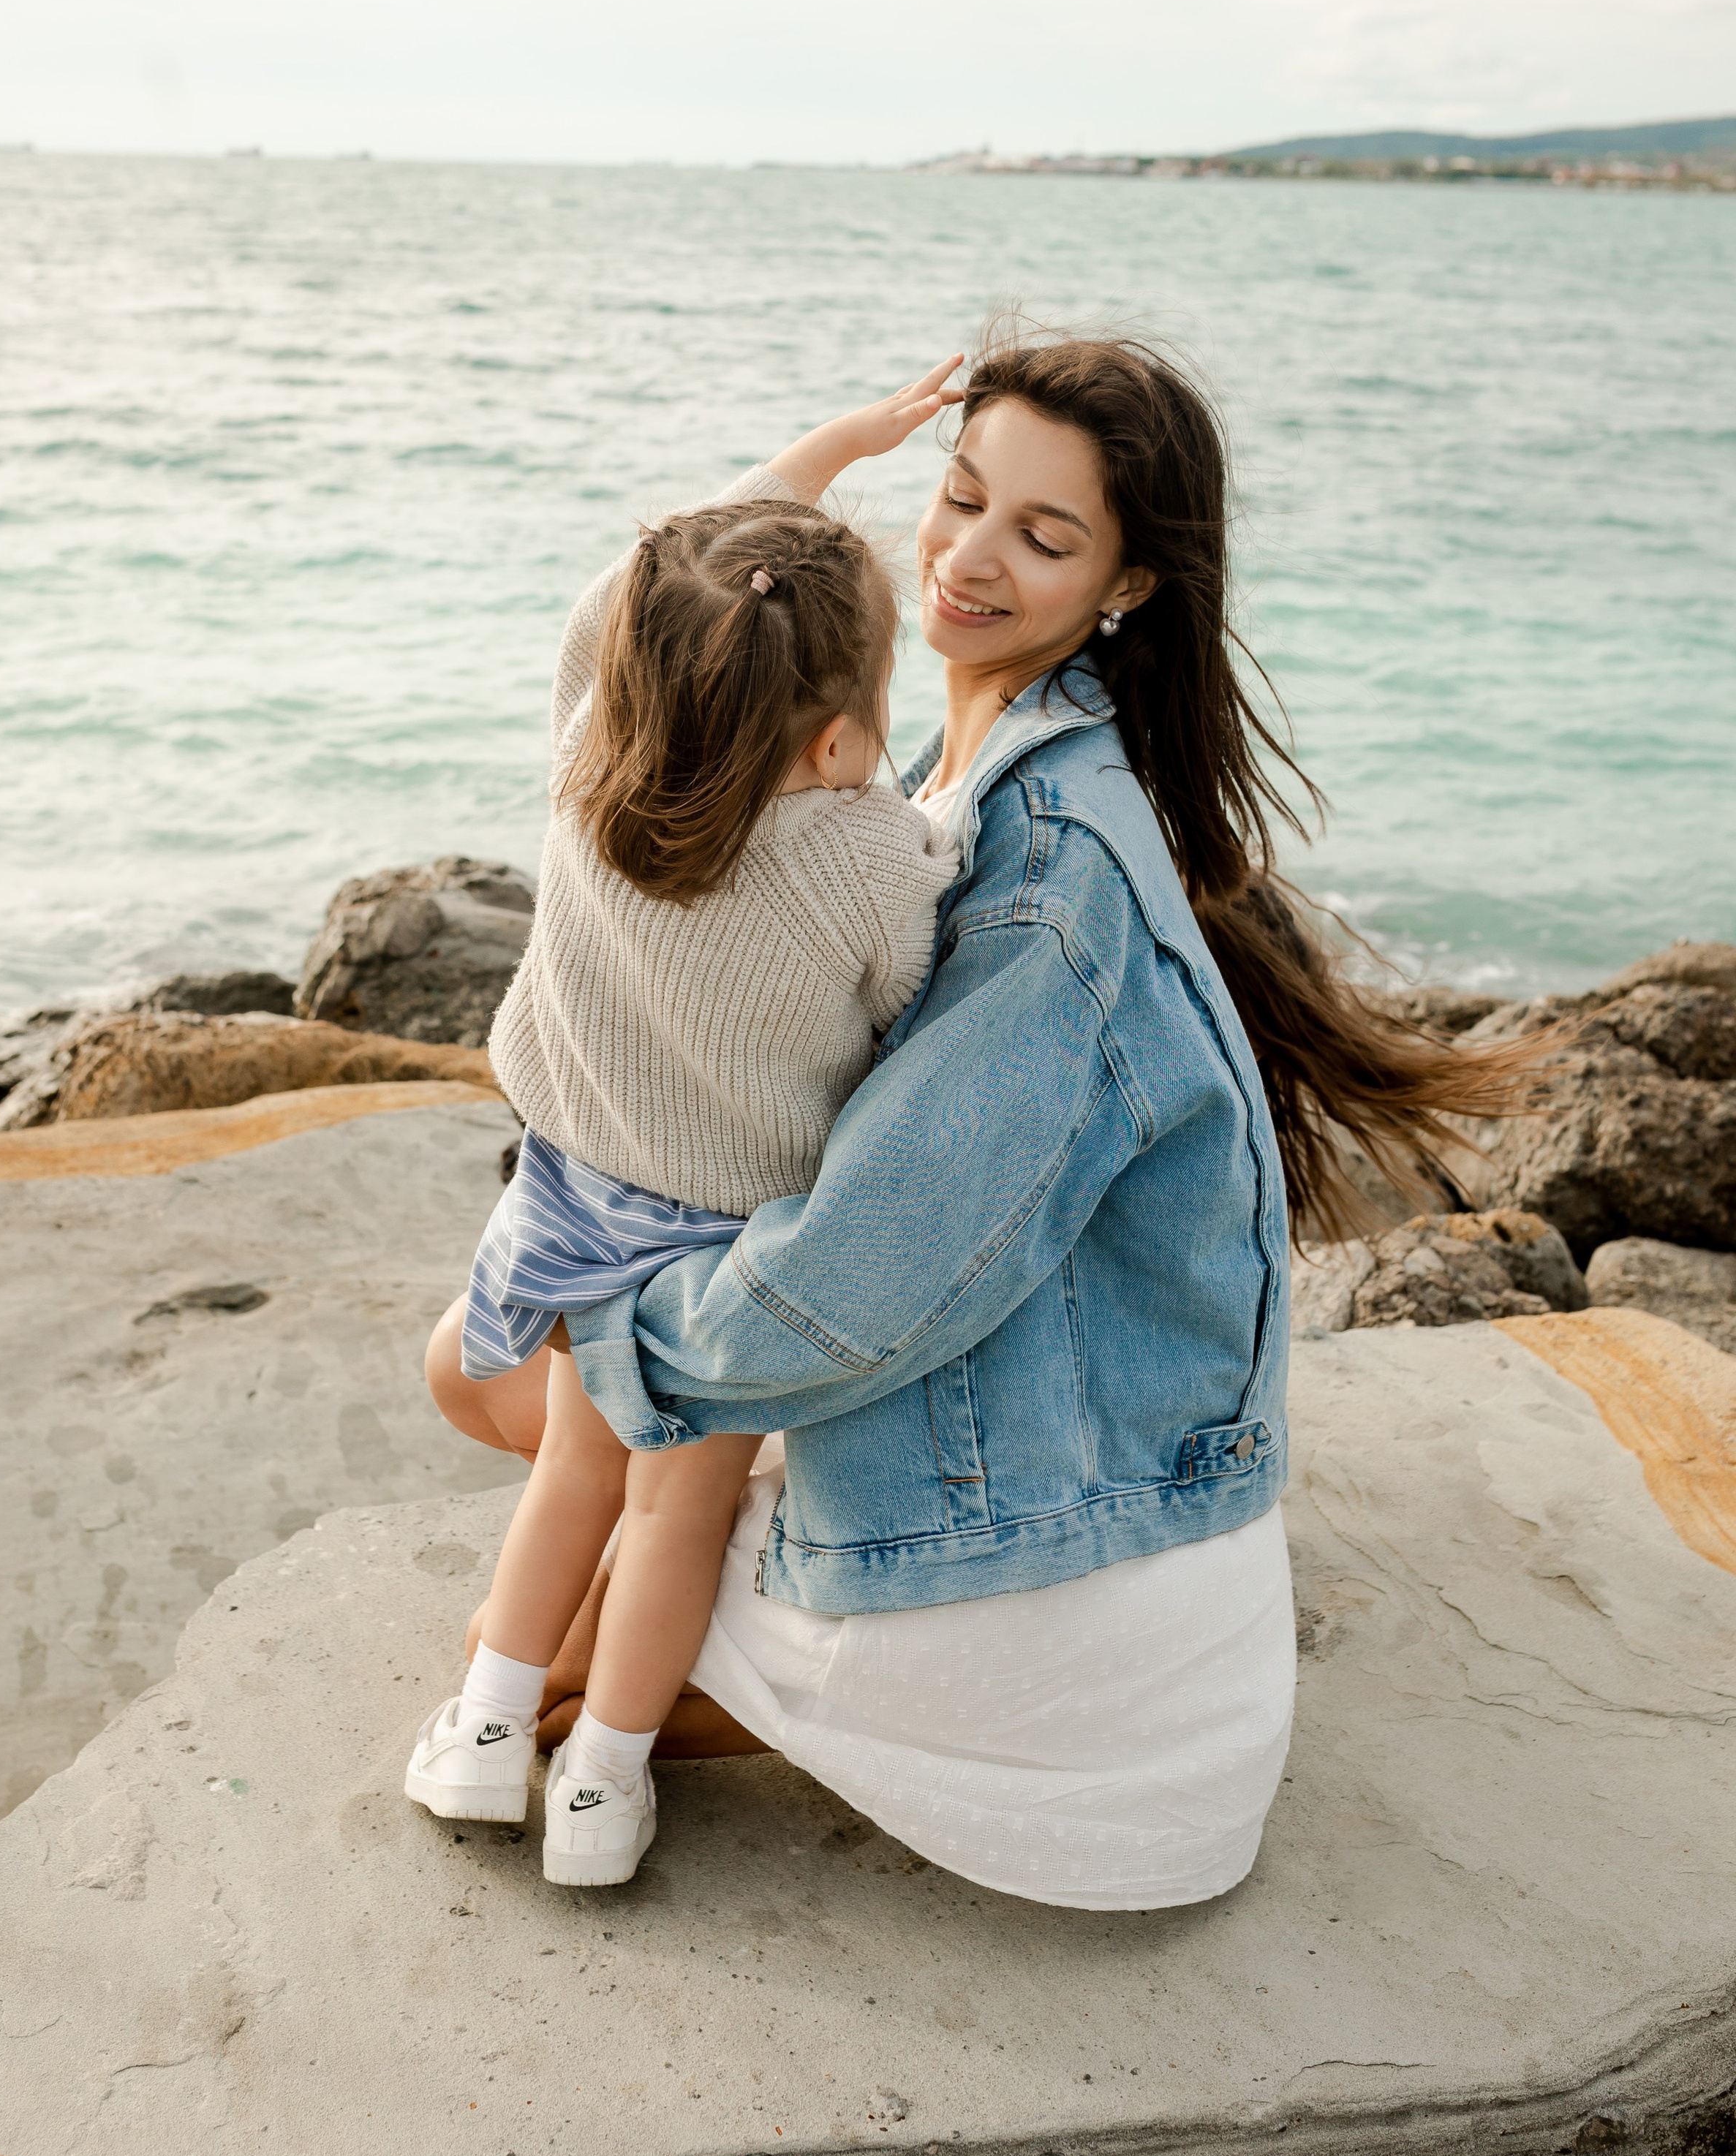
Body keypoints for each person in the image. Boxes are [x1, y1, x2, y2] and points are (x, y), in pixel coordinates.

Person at [433, 325, 1541, 1910]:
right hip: (1060, 1507)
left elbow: (858, 1276)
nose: (963, 559)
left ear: (1128, 583)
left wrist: (618, 1355)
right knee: (509, 1386)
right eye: (957, 499)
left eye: (1042, 535)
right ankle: (679, 1638)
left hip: (1052, 1632)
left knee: (554, 1406)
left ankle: (718, 1686)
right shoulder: (928, 773)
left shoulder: (1039, 882)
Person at [404, 367, 963, 1885]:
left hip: (570, 1192)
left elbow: (642, 589)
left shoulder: (593, 746)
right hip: (715, 1247)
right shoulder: (861, 848)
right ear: (843, 738)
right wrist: (921, 815)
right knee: (670, 1516)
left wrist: (833, 452)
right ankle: (598, 1789)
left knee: (573, 1476)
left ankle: (477, 1732)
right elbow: (908, 990)